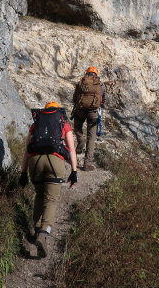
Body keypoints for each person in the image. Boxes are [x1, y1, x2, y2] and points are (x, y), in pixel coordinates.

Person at [19, 101, 78, 258]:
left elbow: (27, 150)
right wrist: (74, 171)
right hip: (55, 161)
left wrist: (23, 172)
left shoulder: (36, 123)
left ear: (44, 111)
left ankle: (37, 230)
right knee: (51, 199)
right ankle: (44, 233)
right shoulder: (63, 123)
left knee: (39, 195)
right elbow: (71, 149)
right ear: (57, 111)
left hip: (34, 162)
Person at [72, 66, 106, 171]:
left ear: (87, 73)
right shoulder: (100, 84)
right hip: (93, 112)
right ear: (96, 74)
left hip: (80, 110)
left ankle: (80, 139)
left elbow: (74, 97)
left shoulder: (81, 82)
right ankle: (87, 163)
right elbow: (103, 98)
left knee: (77, 127)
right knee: (91, 136)